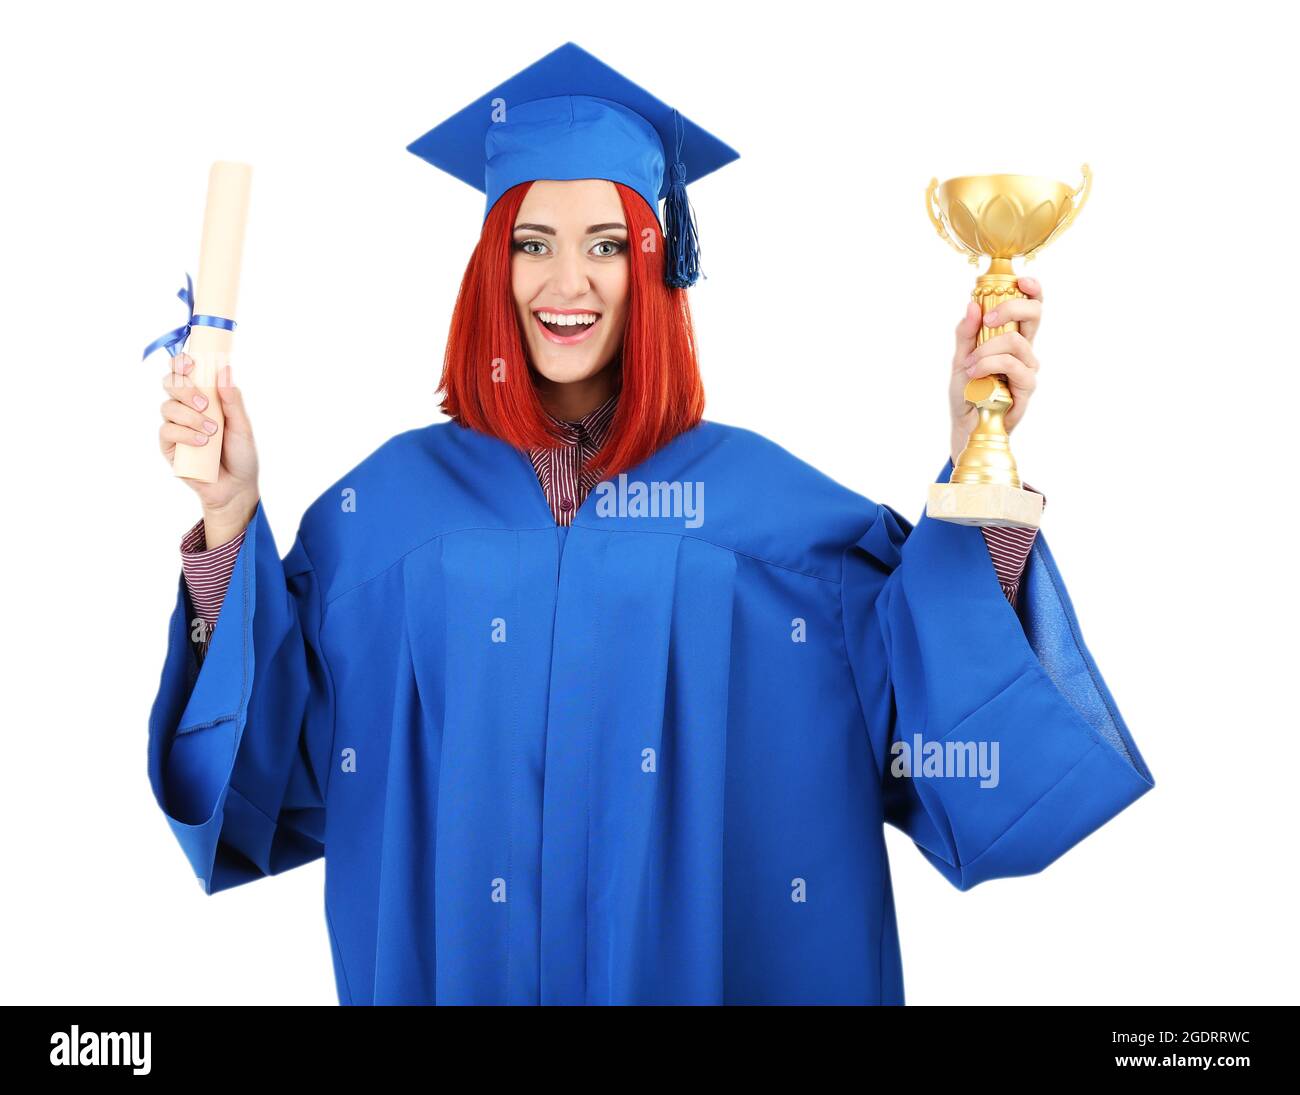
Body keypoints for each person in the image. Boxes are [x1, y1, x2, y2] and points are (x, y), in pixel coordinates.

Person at [147, 43, 1153, 1005]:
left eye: (607, 246)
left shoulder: (776, 518)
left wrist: (976, 466)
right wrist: (228, 515)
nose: (566, 283)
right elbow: (263, 772)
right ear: (492, 270)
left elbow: (944, 740)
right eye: (531, 244)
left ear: (656, 267)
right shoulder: (385, 518)